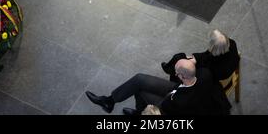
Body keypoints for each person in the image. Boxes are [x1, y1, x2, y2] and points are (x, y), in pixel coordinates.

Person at [85, 58, 231, 116]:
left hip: (180, 109)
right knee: (140, 79)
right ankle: (109, 101)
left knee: (141, 92)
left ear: (182, 76)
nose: (174, 72)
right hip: (181, 90)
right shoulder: (203, 73)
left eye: (176, 71)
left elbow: (168, 106)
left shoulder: (178, 102)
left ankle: (140, 115)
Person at [161, 29, 240, 83]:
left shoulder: (212, 64)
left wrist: (193, 61)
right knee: (181, 58)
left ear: (213, 46)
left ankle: (171, 72)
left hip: (211, 78)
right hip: (227, 68)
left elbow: (205, 62)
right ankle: (170, 69)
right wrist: (195, 58)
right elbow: (206, 56)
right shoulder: (232, 43)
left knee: (179, 61)